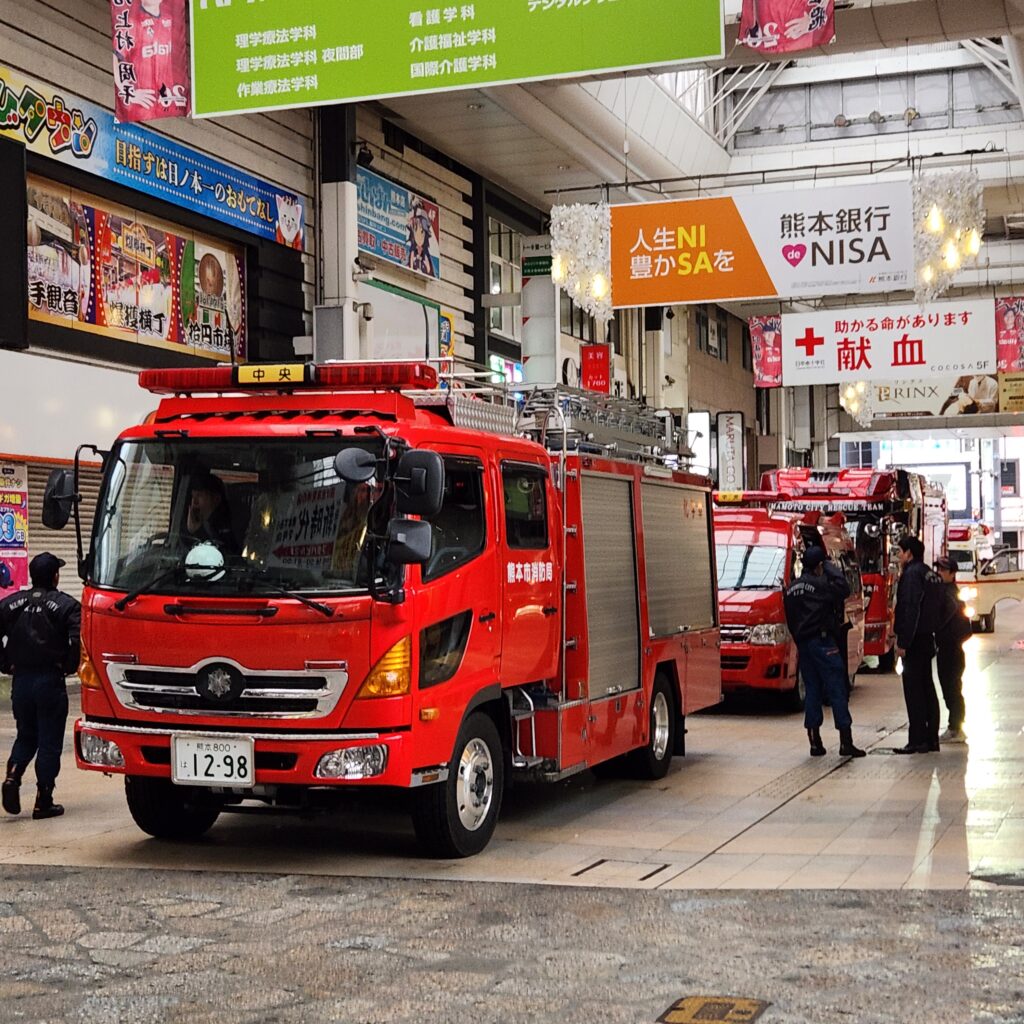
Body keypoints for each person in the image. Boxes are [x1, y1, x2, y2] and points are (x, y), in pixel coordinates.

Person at [1, 553, 81, 819]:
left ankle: (12, 777)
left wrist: (5, 663)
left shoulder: (11, 604)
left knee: (26, 734)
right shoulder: (67, 605)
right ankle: (43, 800)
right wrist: (69, 667)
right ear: (55, 576)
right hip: (49, 682)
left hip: (21, 681)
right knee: (49, 740)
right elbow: (76, 640)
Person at [784, 546, 866, 759]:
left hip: (804, 645)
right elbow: (844, 587)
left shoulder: (792, 588)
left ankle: (815, 743)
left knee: (812, 690)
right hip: (823, 643)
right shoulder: (822, 585)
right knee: (837, 688)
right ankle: (845, 742)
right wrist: (829, 564)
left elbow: (791, 620)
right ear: (820, 566)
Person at [893, 536, 945, 754]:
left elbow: (910, 608)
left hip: (914, 640)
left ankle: (917, 740)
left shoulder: (912, 575)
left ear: (909, 554)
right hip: (928, 638)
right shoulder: (931, 575)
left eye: (900, 552)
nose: (898, 556)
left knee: (914, 690)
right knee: (927, 687)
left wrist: (903, 642)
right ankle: (931, 739)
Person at [933, 556, 971, 743]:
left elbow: (963, 627)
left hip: (951, 650)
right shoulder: (945, 592)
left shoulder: (950, 595)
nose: (939, 573)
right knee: (950, 687)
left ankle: (956, 727)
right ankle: (955, 725)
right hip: (948, 648)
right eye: (938, 569)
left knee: (952, 687)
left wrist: (945, 636)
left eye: (943, 570)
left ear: (952, 573)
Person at [182, 471, 237, 552]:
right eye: (193, 496)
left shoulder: (229, 526)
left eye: (199, 496)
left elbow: (223, 555)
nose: (194, 502)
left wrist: (198, 532)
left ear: (216, 499)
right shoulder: (187, 525)